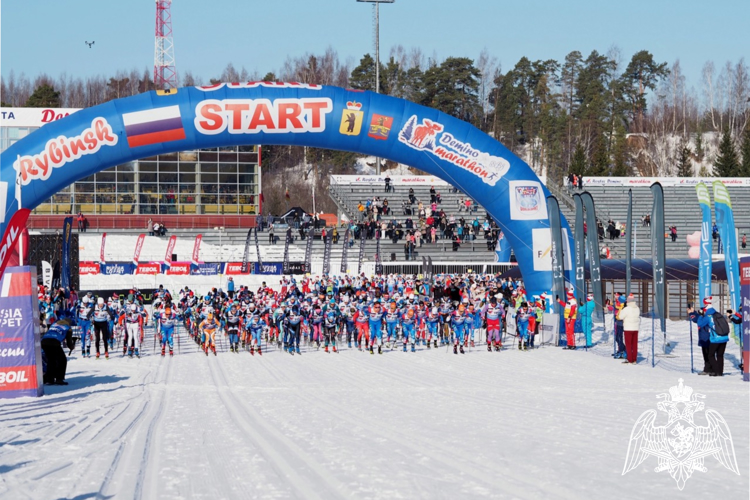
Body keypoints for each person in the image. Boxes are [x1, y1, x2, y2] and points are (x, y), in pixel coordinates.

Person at [41, 318, 75, 385]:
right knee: (62, 360)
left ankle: (49, 379)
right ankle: (59, 379)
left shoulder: (54, 324)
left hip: (44, 341)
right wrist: (71, 347)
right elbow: (69, 343)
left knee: (51, 360)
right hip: (54, 342)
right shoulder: (68, 328)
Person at [689, 298, 714, 375]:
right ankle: (708, 369)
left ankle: (710, 369)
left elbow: (699, 320)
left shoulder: (709, 312)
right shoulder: (708, 310)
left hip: (707, 335)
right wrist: (693, 312)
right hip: (705, 334)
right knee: (707, 353)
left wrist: (692, 314)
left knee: (708, 353)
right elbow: (699, 317)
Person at [618, 294, 641, 364]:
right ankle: (634, 359)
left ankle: (629, 359)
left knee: (628, 344)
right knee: (634, 344)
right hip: (635, 328)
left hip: (628, 328)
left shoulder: (626, 309)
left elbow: (620, 317)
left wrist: (621, 310)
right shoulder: (637, 308)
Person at [613, 293, 626, 359]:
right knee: (617, 338)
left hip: (621, 323)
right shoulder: (620, 305)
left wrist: (618, 317)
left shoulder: (623, 306)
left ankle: (622, 351)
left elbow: (621, 315)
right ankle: (622, 349)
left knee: (619, 338)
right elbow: (616, 307)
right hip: (618, 323)